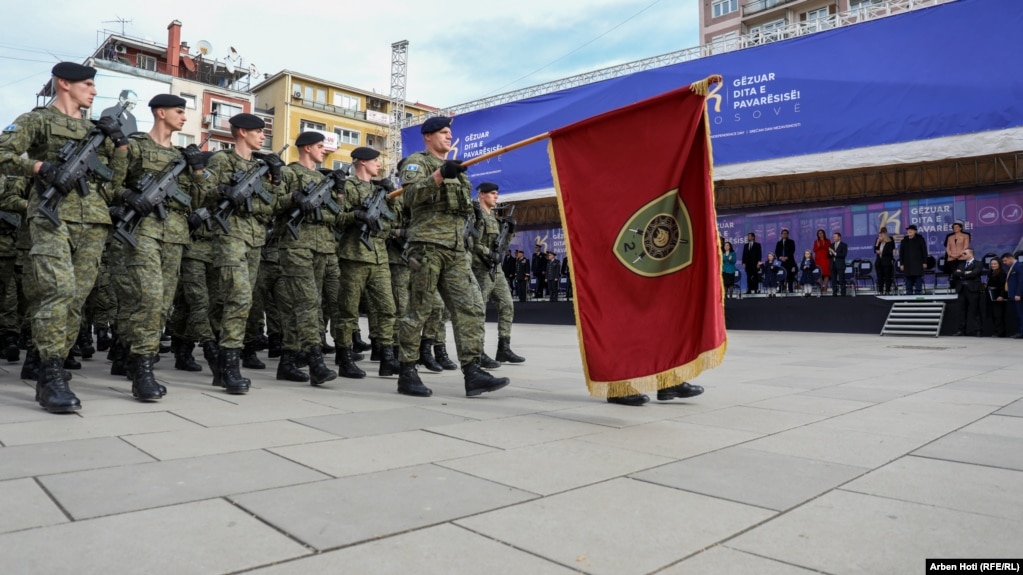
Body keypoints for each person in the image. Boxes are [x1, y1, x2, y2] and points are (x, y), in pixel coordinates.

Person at [0, 62, 128, 413]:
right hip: (51, 218)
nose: (94, 91)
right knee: (57, 291)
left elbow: (114, 185)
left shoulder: (94, 130)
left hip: (93, 224)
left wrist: (118, 146)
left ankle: (52, 361)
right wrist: (38, 167)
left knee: (75, 301)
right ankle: (50, 376)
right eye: (87, 84)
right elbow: (3, 152)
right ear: (64, 84)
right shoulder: (36, 119)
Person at [394, 116, 509, 398]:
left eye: (450, 133)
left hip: (457, 250)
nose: (449, 137)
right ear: (428, 137)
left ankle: (473, 371)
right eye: (444, 132)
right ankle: (407, 371)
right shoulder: (416, 163)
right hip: (427, 248)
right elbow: (408, 198)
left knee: (470, 307)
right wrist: (438, 176)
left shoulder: (459, 170)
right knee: (419, 309)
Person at [111, 94, 214, 401]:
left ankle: (132, 355)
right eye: (179, 112)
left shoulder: (183, 157)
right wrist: (129, 197)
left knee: (163, 305)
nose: (184, 117)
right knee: (151, 299)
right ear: (160, 112)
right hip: (142, 232)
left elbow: (201, 200)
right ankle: (143, 370)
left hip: (174, 236)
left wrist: (197, 171)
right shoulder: (137, 146)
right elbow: (111, 185)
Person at [204, 112, 284, 394]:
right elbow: (202, 191)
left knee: (237, 301)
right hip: (229, 236)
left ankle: (217, 355)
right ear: (241, 132)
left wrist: (275, 178)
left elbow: (271, 207)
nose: (263, 136)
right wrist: (224, 191)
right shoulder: (222, 160)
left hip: (255, 240)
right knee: (237, 298)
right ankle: (230, 366)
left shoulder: (261, 167)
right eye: (258, 131)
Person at [273, 130, 340, 385]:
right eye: (320, 146)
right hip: (296, 245)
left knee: (300, 305)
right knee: (309, 302)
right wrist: (293, 197)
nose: (324, 150)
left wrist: (340, 193)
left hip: (321, 247)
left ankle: (288, 362)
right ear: (307, 148)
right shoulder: (289, 173)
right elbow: (273, 204)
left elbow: (336, 217)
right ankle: (315, 361)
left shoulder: (323, 179)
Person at [335, 146, 400, 379]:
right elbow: (337, 218)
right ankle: (344, 357)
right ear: (362, 162)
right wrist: (356, 215)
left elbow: (393, 221)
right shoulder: (348, 187)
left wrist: (391, 197)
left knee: (387, 309)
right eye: (375, 161)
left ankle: (387, 357)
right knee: (348, 311)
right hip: (354, 256)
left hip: (379, 256)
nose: (379, 165)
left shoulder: (379, 189)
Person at [469, 182, 524, 363]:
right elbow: (471, 241)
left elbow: (502, 247)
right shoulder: (476, 215)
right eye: (492, 193)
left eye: (496, 193)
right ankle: (478, 352)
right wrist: (488, 253)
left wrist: (510, 231)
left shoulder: (494, 217)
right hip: (481, 268)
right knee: (479, 310)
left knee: (507, 304)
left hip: (496, 269)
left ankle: (504, 348)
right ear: (482, 195)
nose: (496, 196)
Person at [952, 248, 983, 336]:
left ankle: (978, 330)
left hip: (972, 289)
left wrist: (962, 273)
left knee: (974, 310)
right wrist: (966, 273)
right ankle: (961, 330)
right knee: (961, 310)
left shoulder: (978, 263)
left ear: (970, 254)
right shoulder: (961, 264)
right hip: (962, 289)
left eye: (964, 253)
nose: (963, 255)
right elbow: (955, 274)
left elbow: (974, 273)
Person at [899, 225, 928, 295]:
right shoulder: (904, 240)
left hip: (918, 263)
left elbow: (924, 251)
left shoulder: (920, 239)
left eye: (911, 230)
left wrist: (925, 262)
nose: (909, 231)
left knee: (918, 278)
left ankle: (918, 292)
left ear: (915, 231)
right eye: (908, 230)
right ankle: (909, 292)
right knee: (908, 278)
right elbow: (901, 253)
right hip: (907, 264)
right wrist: (901, 264)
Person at [1002, 252, 1023, 338]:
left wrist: (1018, 293)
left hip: (1018, 295)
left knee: (1021, 314)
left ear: (1010, 258)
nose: (1004, 263)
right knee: (1017, 314)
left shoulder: (1019, 266)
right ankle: (1020, 330)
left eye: (1005, 260)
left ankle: (1022, 332)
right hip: (1012, 295)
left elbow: (1021, 281)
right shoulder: (1011, 268)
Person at [985, 258, 1008, 337]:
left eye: (995, 264)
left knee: (998, 315)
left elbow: (1003, 286)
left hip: (998, 295)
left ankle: (1000, 331)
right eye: (991, 264)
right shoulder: (990, 273)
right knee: (993, 314)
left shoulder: (1002, 273)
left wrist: (1001, 295)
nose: (993, 265)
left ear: (999, 264)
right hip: (990, 295)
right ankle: (995, 330)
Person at [943, 221, 971, 285]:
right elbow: (947, 248)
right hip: (951, 258)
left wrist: (958, 255)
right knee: (953, 273)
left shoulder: (966, 236)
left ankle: (960, 287)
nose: (955, 228)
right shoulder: (950, 237)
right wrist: (951, 255)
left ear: (961, 228)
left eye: (957, 227)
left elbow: (966, 247)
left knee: (959, 272)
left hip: (962, 257)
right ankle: (954, 286)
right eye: (954, 227)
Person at [874, 227, 895, 295]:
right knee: (880, 277)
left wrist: (882, 252)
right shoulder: (878, 241)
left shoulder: (890, 240)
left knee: (887, 277)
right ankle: (880, 291)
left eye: (881, 235)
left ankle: (887, 291)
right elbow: (875, 250)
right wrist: (877, 242)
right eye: (879, 235)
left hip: (887, 262)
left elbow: (890, 250)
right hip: (879, 262)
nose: (879, 237)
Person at [775, 228, 796, 293]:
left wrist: (787, 257)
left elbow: (792, 251)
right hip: (781, 261)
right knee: (781, 274)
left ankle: (790, 289)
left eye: (785, 233)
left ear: (787, 235)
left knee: (790, 275)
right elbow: (776, 252)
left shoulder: (791, 241)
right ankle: (781, 288)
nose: (784, 234)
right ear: (781, 235)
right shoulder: (778, 243)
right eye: (783, 233)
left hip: (789, 260)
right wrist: (780, 257)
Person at [829, 232, 848, 296]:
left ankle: (843, 293)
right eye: (833, 236)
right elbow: (828, 256)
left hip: (840, 265)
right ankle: (834, 292)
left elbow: (843, 255)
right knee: (833, 279)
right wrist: (830, 253)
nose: (833, 238)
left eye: (835, 236)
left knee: (841, 279)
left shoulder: (844, 245)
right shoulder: (831, 245)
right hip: (833, 264)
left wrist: (834, 252)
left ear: (839, 237)